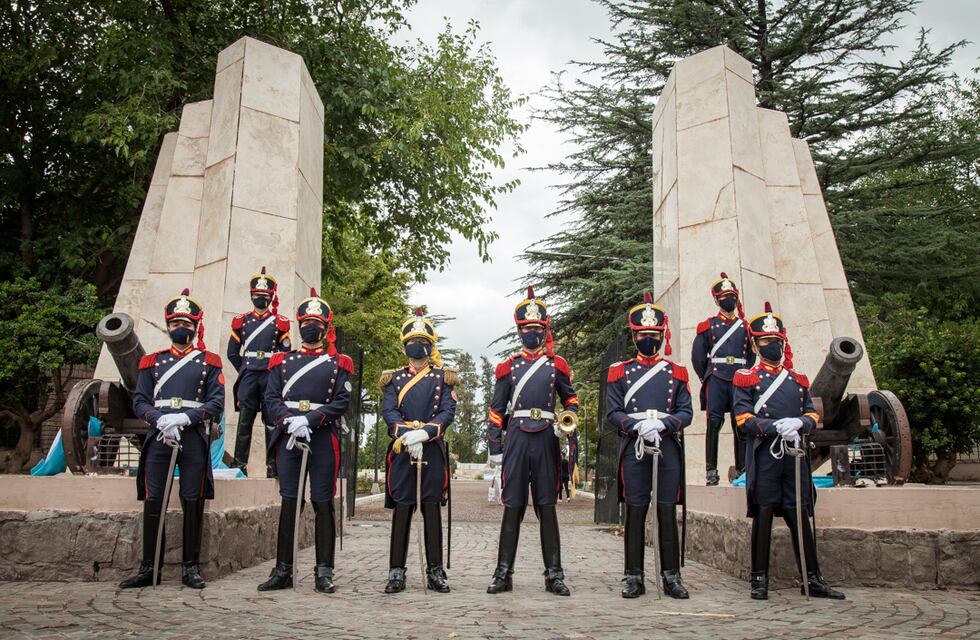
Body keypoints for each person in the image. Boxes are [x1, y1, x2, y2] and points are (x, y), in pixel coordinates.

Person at [733, 302, 845, 601]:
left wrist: (799, 422)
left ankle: (812, 579)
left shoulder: (798, 380)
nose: (773, 346)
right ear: (756, 345)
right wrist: (774, 427)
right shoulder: (747, 378)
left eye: (777, 341)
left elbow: (812, 414)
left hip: (795, 458)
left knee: (799, 515)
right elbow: (743, 419)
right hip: (767, 456)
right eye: (767, 342)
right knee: (765, 513)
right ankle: (759, 579)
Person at [120, 289, 224, 589]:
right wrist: (159, 419)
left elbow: (216, 402)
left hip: (192, 437)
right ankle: (149, 567)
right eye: (177, 322)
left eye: (188, 324)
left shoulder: (210, 362)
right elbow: (139, 401)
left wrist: (185, 418)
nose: (182, 328)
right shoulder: (152, 362)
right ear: (168, 326)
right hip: (160, 435)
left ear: (196, 326)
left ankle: (190, 567)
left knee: (192, 499)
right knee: (154, 500)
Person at [258, 289, 353, 594]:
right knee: (289, 502)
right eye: (306, 322)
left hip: (322, 436)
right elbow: (270, 398)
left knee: (322, 502)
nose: (311, 328)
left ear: (325, 328)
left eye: (316, 323)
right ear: (300, 326)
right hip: (290, 437)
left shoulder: (339, 363)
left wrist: (310, 420)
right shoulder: (281, 362)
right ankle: (283, 569)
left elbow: (341, 401)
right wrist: (289, 421)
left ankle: (324, 570)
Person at [486, 287, 579, 596]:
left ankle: (554, 574)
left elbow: (572, 400)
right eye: (527, 329)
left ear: (544, 330)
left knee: (547, 507)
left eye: (537, 329)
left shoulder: (556, 366)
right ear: (520, 331)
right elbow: (496, 412)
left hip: (546, 440)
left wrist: (566, 423)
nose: (532, 334)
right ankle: (503, 573)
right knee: (512, 507)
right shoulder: (508, 367)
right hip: (516, 440)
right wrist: (496, 450)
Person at [606, 292, 693, 599]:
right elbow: (613, 412)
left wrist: (663, 425)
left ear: (661, 335)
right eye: (643, 334)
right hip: (635, 445)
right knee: (636, 508)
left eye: (654, 335)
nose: (649, 339)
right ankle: (633, 575)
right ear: (634, 336)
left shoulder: (676, 372)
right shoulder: (620, 372)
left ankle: (671, 575)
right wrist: (637, 425)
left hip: (666, 445)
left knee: (667, 509)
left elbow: (686, 412)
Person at [379, 308, 458, 593]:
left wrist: (424, 433)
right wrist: (407, 435)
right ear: (404, 346)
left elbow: (448, 411)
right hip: (403, 449)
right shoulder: (393, 378)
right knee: (402, 509)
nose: (417, 346)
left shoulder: (443, 377)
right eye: (412, 340)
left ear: (430, 345)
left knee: (431, 508)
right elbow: (389, 412)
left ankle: (436, 570)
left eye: (422, 340)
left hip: (431, 448)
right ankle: (396, 570)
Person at [691, 272, 754, 485]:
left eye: (732, 295)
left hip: (738, 379)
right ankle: (711, 470)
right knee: (714, 424)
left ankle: (743, 468)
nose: (729, 299)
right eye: (725, 296)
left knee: (741, 424)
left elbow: (751, 356)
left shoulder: (745, 327)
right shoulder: (708, 326)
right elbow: (698, 356)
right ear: (716, 299)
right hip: (716, 378)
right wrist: (706, 377)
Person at [227, 267, 290, 476]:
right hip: (249, 375)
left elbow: (286, 351)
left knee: (271, 422)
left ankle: (272, 465)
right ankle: (239, 465)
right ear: (251, 295)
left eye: (264, 295)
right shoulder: (242, 321)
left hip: (269, 376)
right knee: (245, 421)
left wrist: (274, 373)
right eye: (257, 295)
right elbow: (232, 352)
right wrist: (244, 368)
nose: (260, 298)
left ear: (271, 297)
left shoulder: (279, 323)